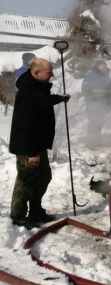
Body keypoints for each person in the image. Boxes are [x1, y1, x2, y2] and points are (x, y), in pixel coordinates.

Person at [9, 58, 71, 227]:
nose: (52, 74)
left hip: (37, 145)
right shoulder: (27, 93)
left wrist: (59, 98)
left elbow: (42, 102)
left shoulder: (37, 88)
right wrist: (31, 153)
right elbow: (25, 125)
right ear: (36, 73)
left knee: (43, 177)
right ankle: (18, 216)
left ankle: (35, 211)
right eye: (49, 72)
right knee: (26, 180)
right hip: (28, 147)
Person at [81, 60, 111, 147]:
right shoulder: (90, 76)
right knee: (93, 122)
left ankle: (96, 141)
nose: (105, 67)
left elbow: (110, 92)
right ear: (97, 67)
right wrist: (92, 101)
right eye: (103, 66)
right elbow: (85, 90)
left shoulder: (107, 78)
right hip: (93, 104)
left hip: (103, 104)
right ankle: (90, 143)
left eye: (105, 66)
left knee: (100, 123)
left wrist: (109, 104)